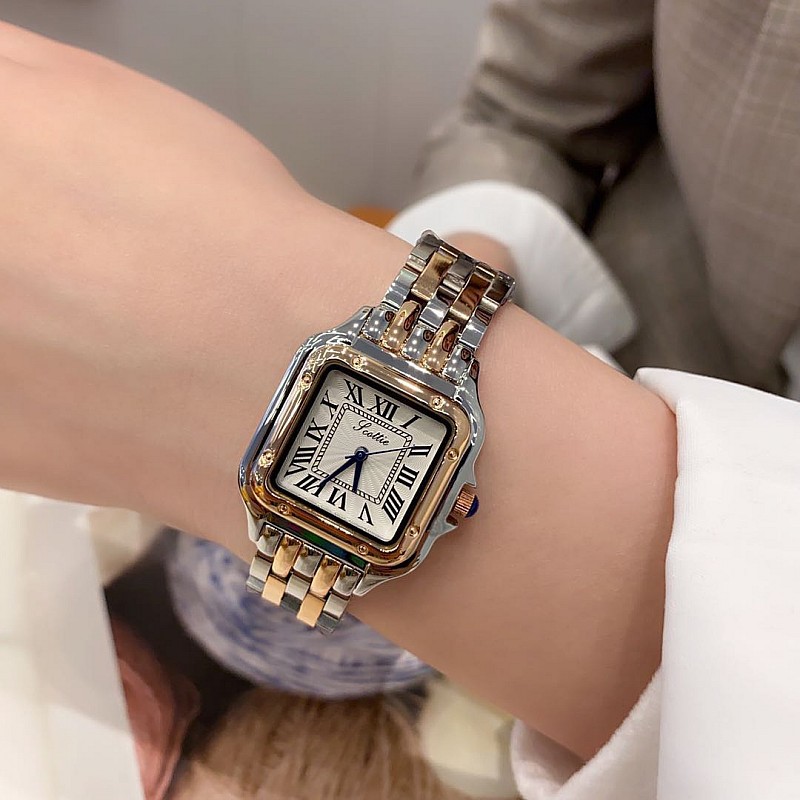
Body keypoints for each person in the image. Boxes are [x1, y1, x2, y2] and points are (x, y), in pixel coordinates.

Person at [0, 14, 797, 800]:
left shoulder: (443, 505)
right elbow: (530, 115)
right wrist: (473, 256)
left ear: (456, 501)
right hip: (582, 315)